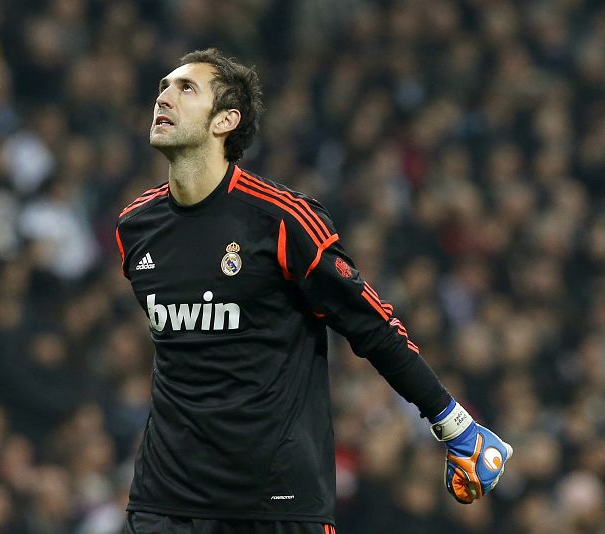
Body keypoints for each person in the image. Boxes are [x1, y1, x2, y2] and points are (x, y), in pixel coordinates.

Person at [115, 48, 512, 534]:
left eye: (185, 88)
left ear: (226, 120)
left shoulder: (281, 220)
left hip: (276, 502)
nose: (164, 97)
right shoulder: (136, 227)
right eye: (163, 86)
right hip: (166, 501)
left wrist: (454, 425)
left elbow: (370, 323)